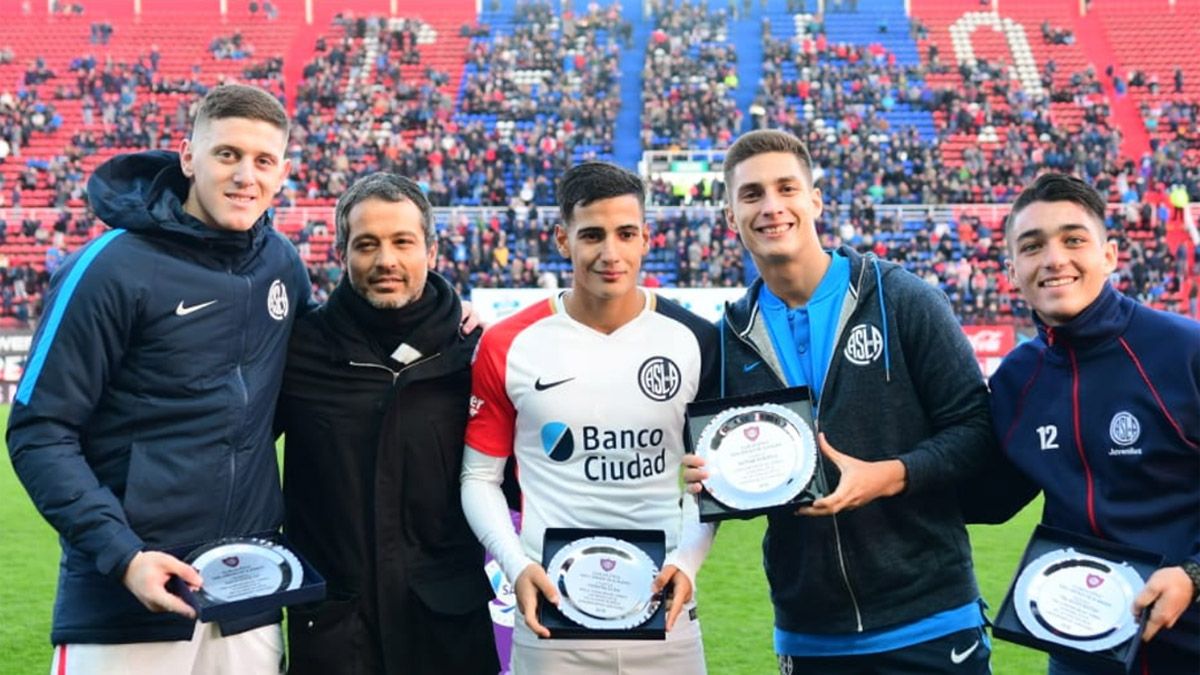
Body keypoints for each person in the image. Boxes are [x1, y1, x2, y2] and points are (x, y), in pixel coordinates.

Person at [6, 84, 308, 673]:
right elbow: (40, 431)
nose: (246, 175)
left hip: (247, 597)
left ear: (283, 173)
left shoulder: (282, 265)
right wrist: (124, 557)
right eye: (227, 154)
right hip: (126, 600)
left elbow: (328, 367)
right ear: (188, 157)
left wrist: (446, 320)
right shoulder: (109, 268)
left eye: (263, 161)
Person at [684, 129, 994, 674]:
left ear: (815, 200)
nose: (772, 206)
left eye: (786, 188)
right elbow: (734, 479)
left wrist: (888, 475)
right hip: (811, 635)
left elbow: (976, 432)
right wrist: (711, 476)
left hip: (933, 621)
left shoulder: (902, 298)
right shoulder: (727, 340)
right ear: (730, 217)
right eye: (752, 195)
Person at [460, 161, 718, 673]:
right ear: (562, 239)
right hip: (551, 617)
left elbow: (707, 485)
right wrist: (517, 566)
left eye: (625, 234)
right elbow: (478, 477)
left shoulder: (695, 340)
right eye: (592, 235)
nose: (610, 253)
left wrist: (687, 563)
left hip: (666, 614)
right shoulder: (509, 344)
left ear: (646, 237)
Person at [967, 173, 1200, 674]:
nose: (1054, 259)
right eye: (1032, 247)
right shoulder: (1017, 379)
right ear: (1012, 270)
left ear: (1110, 255)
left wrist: (1194, 576)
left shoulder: (1185, 352)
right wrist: (894, 470)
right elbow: (990, 499)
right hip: (1081, 646)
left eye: (1073, 239)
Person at [276, 173, 498, 674]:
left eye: (403, 242)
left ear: (432, 250)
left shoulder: (476, 352)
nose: (386, 261)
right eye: (367, 244)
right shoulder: (298, 350)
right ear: (341, 253)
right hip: (335, 631)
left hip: (447, 630)